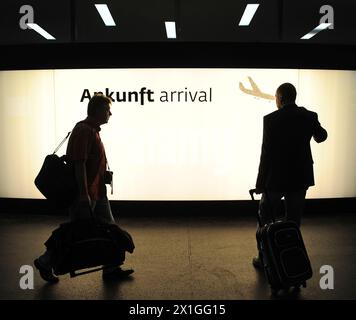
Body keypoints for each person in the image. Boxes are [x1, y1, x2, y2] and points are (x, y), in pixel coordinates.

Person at [34, 93, 134, 282]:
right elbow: (79, 163)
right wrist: (83, 194)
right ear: (97, 111)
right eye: (107, 110)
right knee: (75, 234)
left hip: (97, 193)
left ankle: (111, 268)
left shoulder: (93, 131)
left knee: (110, 228)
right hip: (86, 194)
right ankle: (45, 262)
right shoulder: (84, 131)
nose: (110, 114)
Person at [252, 83, 328, 268]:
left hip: (276, 179)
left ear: (279, 98)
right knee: (293, 221)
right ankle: (291, 259)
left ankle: (265, 259)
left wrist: (260, 183)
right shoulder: (309, 116)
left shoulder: (271, 119)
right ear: (294, 96)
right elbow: (321, 136)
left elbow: (266, 154)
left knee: (265, 219)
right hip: (300, 177)